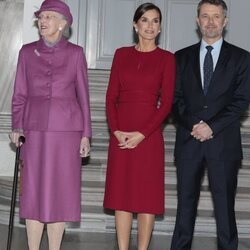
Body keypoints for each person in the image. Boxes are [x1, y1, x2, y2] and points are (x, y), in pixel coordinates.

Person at [9, 0, 92, 249]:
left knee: (61, 196)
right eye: (41, 17)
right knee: (33, 194)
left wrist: (86, 134)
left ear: (63, 23)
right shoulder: (26, 52)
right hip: (33, 131)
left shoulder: (76, 53)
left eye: (48, 17)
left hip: (67, 133)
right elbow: (19, 94)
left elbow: (84, 97)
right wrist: (16, 126)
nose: (42, 22)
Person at [171, 0, 250, 249]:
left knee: (225, 210)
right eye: (205, 16)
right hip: (189, 141)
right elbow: (174, 100)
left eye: (216, 16)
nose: (211, 22)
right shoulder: (180, 57)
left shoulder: (242, 58)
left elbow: (241, 101)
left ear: (225, 21)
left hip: (224, 144)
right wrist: (196, 124)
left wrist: (211, 126)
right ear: (197, 21)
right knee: (184, 209)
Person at [103, 3, 176, 250]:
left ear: (160, 26)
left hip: (149, 135)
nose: (150, 26)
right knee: (121, 197)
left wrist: (142, 134)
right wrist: (116, 131)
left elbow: (166, 104)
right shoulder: (121, 54)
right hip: (121, 134)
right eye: (145, 20)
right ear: (135, 25)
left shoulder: (167, 59)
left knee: (146, 199)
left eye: (155, 21)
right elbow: (110, 97)